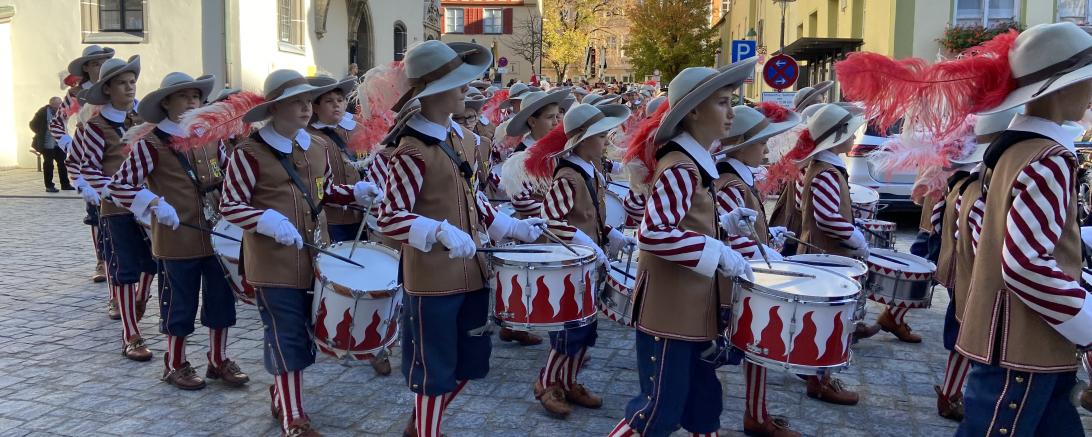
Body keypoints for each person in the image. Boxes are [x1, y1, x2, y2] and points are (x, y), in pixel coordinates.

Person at [373, 40, 544, 437]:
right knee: (435, 370)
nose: (466, 88)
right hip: (431, 280)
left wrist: (514, 228)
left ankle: (422, 425)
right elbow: (389, 217)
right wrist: (435, 230)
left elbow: (474, 198)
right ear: (432, 92)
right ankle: (427, 430)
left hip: (471, 272)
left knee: (469, 361)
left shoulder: (463, 140)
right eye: (457, 83)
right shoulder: (412, 150)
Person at [219, 69, 381, 436]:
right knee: (285, 334)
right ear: (275, 108)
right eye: (297, 102)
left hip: (314, 255)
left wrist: (353, 194)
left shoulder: (317, 146)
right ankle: (294, 418)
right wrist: (265, 220)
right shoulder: (250, 153)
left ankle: (282, 396)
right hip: (272, 262)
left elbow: (322, 191)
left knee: (303, 333)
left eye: (309, 101)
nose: (307, 108)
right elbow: (230, 205)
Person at [952, 23, 1092, 436]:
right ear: (1059, 88)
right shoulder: (1047, 158)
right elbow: (1025, 263)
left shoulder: (1011, 148)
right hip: (1022, 347)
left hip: (1020, 342)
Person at [607, 59, 757, 437]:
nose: (732, 111)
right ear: (693, 111)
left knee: (704, 407)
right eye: (722, 102)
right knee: (658, 411)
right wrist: (717, 251)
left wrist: (726, 226)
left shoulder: (694, 163)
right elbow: (654, 233)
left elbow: (688, 223)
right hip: (670, 315)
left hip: (692, 312)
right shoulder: (681, 166)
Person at [108, 72, 250, 390]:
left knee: (221, 302)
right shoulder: (150, 144)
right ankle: (174, 363)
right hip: (176, 238)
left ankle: (218, 359)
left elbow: (229, 174)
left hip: (217, 236)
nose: (191, 102)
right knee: (179, 304)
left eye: (196, 97)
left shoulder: (210, 137)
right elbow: (120, 186)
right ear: (166, 103)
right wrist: (154, 203)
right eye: (183, 96)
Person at [517, 102, 634, 418]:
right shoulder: (569, 175)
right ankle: (546, 382)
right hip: (569, 266)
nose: (606, 140)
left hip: (587, 265)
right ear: (581, 141)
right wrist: (586, 243)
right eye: (599, 136)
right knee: (569, 328)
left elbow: (588, 216)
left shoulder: (590, 171)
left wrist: (609, 234)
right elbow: (550, 221)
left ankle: (568, 381)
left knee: (585, 327)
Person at [711, 103, 802, 437]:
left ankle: (757, 411)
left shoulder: (738, 180)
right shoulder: (730, 184)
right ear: (743, 144)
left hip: (743, 277)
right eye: (760, 142)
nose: (765, 148)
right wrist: (769, 258)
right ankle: (752, 415)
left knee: (753, 349)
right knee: (740, 349)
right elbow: (731, 239)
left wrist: (769, 239)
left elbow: (747, 230)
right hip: (730, 283)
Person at [931, 107, 1022, 421]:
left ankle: (950, 392)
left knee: (960, 342)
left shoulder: (960, 187)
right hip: (975, 287)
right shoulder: (980, 194)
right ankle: (953, 396)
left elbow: (939, 222)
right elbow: (986, 244)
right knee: (967, 346)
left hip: (963, 281)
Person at [71, 55, 160, 361]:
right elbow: (90, 168)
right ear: (107, 89)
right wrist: (110, 192)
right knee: (124, 270)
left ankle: (140, 299)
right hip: (117, 208)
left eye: (132, 81)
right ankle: (131, 335)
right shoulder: (95, 126)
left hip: (147, 205)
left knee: (153, 262)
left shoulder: (144, 122)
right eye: (122, 83)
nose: (129, 87)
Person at [787, 102, 868, 406]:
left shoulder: (826, 167)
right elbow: (826, 217)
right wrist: (856, 237)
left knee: (827, 321)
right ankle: (819, 379)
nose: (855, 138)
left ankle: (818, 376)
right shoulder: (825, 171)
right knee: (827, 322)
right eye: (851, 133)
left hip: (827, 253)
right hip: (826, 255)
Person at [62, 45, 115, 285]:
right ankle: (101, 261)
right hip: (87, 157)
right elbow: (57, 123)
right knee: (95, 215)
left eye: (104, 62)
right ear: (86, 67)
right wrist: (71, 144)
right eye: (95, 63)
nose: (100, 67)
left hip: (114, 157)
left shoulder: (115, 86)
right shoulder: (76, 94)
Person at [30, 97, 74, 192]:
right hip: (47, 144)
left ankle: (65, 184)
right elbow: (32, 125)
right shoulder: (43, 112)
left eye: (60, 103)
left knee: (63, 163)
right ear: (51, 104)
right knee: (49, 164)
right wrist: (42, 132)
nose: (60, 105)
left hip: (60, 143)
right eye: (57, 104)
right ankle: (49, 186)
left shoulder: (63, 111)